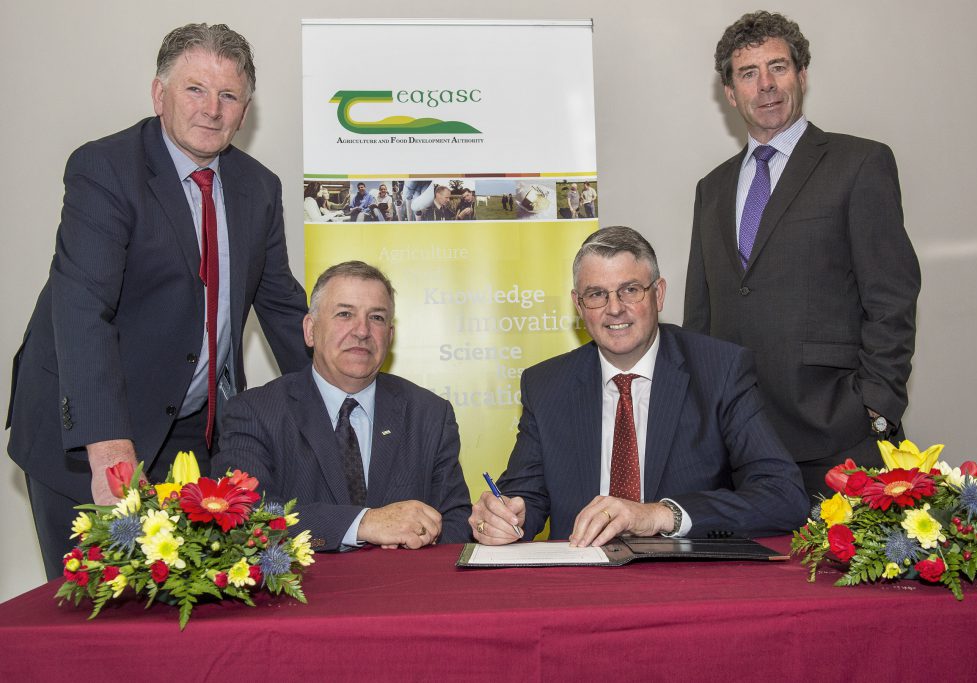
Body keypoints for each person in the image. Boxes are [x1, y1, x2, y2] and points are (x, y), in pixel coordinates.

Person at [6, 23, 310, 579]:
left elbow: (283, 307)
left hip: (193, 429)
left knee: (192, 605)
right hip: (92, 430)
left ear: (245, 110)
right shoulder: (105, 170)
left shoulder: (258, 187)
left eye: (229, 95)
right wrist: (106, 446)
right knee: (98, 611)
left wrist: (339, 397)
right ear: (158, 93)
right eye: (195, 89)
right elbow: (82, 309)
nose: (211, 109)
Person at [683, 11, 921, 501]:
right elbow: (701, 317)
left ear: (802, 76)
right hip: (739, 444)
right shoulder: (712, 188)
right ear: (730, 93)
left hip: (838, 435)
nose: (766, 85)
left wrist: (876, 405)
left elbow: (892, 295)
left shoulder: (859, 164)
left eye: (779, 67)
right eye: (749, 73)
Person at [470, 226, 807, 548]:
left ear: (658, 294)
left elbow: (783, 496)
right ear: (579, 305)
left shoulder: (719, 370)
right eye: (597, 294)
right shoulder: (546, 385)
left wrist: (661, 515)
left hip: (686, 581)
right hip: (580, 580)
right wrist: (504, 518)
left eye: (630, 290)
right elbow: (523, 499)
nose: (615, 308)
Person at [213, 262, 471, 550]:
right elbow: (246, 516)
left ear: (390, 335)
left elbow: (456, 523)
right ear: (310, 330)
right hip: (307, 592)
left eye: (376, 317)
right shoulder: (255, 413)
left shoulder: (429, 414)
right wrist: (363, 523)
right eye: (345, 314)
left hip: (404, 589)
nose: (362, 331)